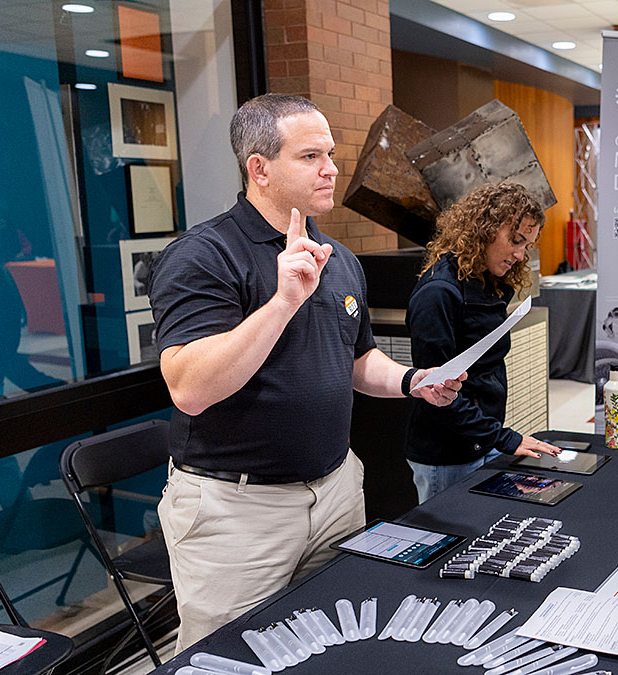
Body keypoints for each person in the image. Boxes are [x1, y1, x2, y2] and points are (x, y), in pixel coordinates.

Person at [149, 94, 464, 651]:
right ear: (259, 169)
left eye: (332, 154)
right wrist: (281, 303)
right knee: (231, 657)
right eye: (311, 155)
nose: (332, 168)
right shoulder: (203, 256)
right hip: (239, 512)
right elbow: (190, 389)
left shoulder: (337, 257)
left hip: (336, 490)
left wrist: (415, 381)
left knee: (333, 644)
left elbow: (357, 359)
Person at [404, 183, 561, 503]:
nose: (520, 255)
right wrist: (502, 438)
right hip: (446, 455)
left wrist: (494, 438)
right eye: (516, 241)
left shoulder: (486, 283)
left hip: (481, 441)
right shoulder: (439, 292)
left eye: (527, 245)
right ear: (482, 230)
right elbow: (436, 393)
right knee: (451, 544)